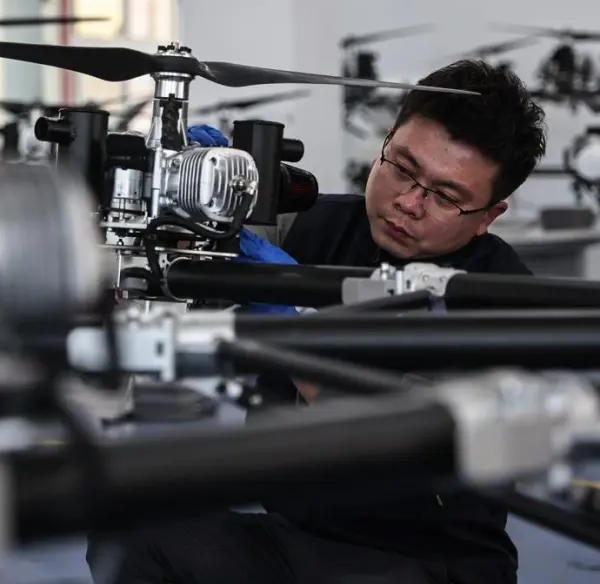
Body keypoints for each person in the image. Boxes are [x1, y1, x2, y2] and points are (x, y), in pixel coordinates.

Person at [87, 59, 547, 584]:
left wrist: (292, 322)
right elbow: (194, 251)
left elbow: (395, 437)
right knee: (132, 535)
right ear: (385, 143)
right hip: (298, 537)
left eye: (444, 196)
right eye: (401, 167)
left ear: (488, 216)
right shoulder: (317, 224)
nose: (408, 202)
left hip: (429, 560)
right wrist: (186, 196)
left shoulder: (502, 302)